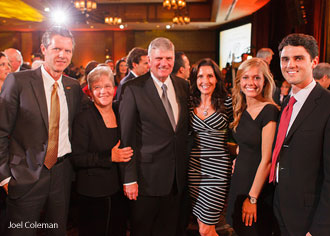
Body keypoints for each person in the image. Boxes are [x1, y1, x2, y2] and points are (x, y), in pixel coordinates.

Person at [0, 26, 85, 235]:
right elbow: (1, 130)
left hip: (62, 174)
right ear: (43, 49)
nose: (62, 55)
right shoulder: (18, 81)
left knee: (56, 231)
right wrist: (4, 176)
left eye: (67, 51)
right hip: (25, 174)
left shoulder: (73, 87)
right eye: (56, 49)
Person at [119, 37, 189, 236]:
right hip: (145, 180)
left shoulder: (183, 86)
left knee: (170, 230)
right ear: (149, 59)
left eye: (168, 58)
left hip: (176, 179)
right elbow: (127, 136)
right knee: (143, 230)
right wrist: (129, 178)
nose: (164, 63)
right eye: (158, 58)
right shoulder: (133, 88)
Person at [269, 33, 330, 236]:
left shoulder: (327, 105)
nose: (290, 65)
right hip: (279, 208)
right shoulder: (287, 102)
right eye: (285, 59)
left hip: (309, 219)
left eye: (298, 58)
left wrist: (319, 229)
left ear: (314, 62)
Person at [71, 65, 133, 236]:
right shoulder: (83, 118)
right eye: (97, 88)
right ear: (89, 92)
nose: (103, 91)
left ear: (114, 88)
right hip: (93, 193)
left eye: (107, 86)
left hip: (119, 190)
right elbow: (77, 158)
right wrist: (109, 157)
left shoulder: (120, 110)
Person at [226, 58, 279, 236]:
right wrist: (238, 155)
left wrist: (253, 198)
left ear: (265, 81)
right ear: (239, 81)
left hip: (256, 188)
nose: (251, 83)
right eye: (246, 77)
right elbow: (247, 145)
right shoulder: (241, 109)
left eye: (257, 78)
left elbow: (267, 159)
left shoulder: (269, 110)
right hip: (239, 182)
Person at [188, 58, 233, 236]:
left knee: (206, 229)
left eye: (210, 76)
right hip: (194, 170)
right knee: (203, 226)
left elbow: (241, 134)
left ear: (217, 79)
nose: (205, 81)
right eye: (200, 76)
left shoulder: (227, 102)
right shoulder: (189, 103)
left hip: (217, 171)